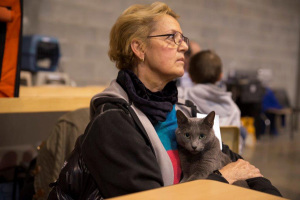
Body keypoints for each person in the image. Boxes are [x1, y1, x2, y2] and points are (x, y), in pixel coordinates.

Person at [48, 2, 281, 199]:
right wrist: (223, 178)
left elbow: (231, 159)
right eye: (172, 37)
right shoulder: (112, 122)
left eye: (183, 38)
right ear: (139, 48)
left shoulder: (183, 110)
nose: (185, 46)